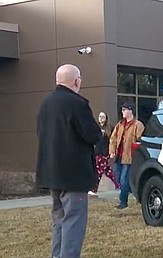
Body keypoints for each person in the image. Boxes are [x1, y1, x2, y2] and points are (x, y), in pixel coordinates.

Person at [36, 64, 102, 258]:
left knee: (59, 219)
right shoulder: (77, 103)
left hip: (51, 173)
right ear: (76, 81)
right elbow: (93, 135)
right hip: (74, 175)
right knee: (73, 221)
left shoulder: (45, 104)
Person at [109, 103, 144, 209]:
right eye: (122, 109)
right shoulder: (119, 125)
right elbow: (113, 138)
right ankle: (131, 192)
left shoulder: (138, 125)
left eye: (124, 109)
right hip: (118, 157)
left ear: (130, 110)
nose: (122, 111)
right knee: (119, 179)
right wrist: (112, 151)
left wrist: (135, 152)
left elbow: (140, 140)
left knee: (124, 179)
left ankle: (123, 202)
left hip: (129, 157)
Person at [89, 112, 120, 196]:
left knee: (99, 171)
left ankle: (94, 189)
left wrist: (110, 152)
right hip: (97, 152)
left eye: (103, 117)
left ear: (106, 118)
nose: (101, 118)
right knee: (108, 172)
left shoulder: (109, 128)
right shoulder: (96, 128)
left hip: (104, 153)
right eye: (99, 116)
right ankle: (119, 185)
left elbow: (112, 141)